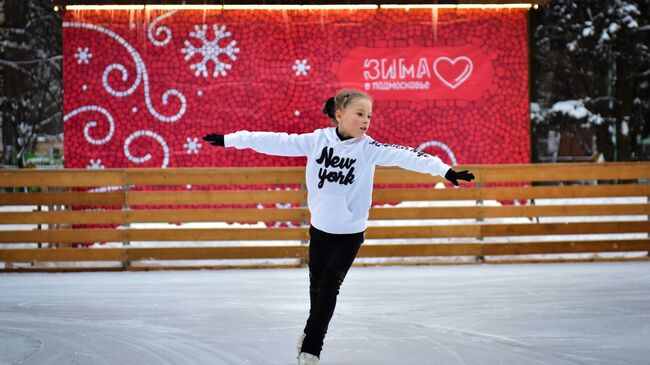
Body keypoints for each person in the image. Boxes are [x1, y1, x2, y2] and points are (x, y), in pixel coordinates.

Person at [203, 89, 474, 365]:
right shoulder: (316, 141)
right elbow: (276, 141)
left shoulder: (368, 149)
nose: (366, 121)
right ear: (340, 115)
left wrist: (445, 170)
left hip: (350, 234)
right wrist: (231, 140)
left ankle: (312, 347)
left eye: (369, 116)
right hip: (320, 230)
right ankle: (312, 331)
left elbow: (408, 156)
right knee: (316, 288)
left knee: (330, 286)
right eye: (360, 114)